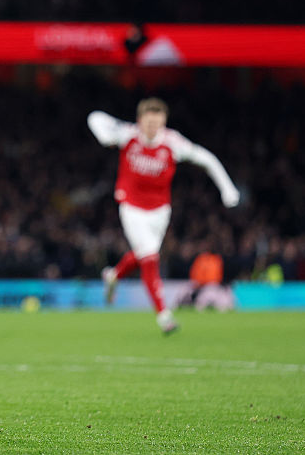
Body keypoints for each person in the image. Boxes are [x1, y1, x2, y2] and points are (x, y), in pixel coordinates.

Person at [88, 98, 240, 334]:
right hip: (131, 206)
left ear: (164, 122)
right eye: (148, 122)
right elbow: (94, 117)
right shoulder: (128, 135)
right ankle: (164, 316)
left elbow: (207, 159)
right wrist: (106, 135)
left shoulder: (173, 142)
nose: (152, 128)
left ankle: (113, 274)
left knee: (143, 255)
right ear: (140, 121)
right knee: (149, 256)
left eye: (157, 123)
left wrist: (227, 188)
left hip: (160, 210)